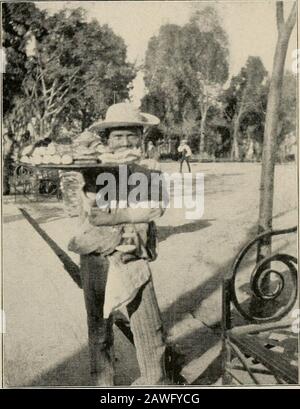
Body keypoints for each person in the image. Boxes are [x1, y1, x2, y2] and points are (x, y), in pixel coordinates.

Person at [68, 103, 170, 386]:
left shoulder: (149, 168)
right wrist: (94, 192)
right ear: (107, 139)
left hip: (134, 252)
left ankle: (155, 382)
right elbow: (92, 214)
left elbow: (156, 208)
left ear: (141, 136)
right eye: (117, 136)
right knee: (99, 328)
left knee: (150, 326)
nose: (124, 142)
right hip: (96, 252)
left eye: (131, 135)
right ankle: (103, 384)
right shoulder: (92, 167)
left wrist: (118, 215)